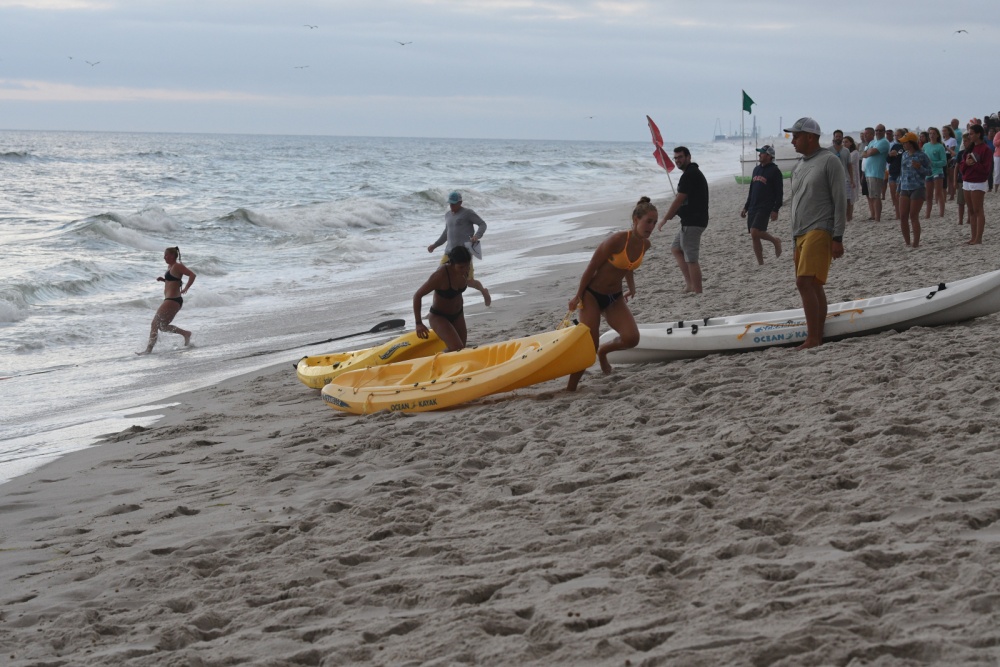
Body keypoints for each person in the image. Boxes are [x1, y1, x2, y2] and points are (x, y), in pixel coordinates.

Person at [566, 197, 657, 391]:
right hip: (592, 295)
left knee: (631, 338)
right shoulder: (616, 240)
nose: (651, 226)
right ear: (636, 220)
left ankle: (604, 352)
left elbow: (628, 266)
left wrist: (632, 287)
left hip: (614, 297)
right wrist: (578, 295)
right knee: (589, 345)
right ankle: (571, 388)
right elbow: (592, 267)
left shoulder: (645, 245)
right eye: (648, 221)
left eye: (654, 222)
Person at [783, 117, 846, 350]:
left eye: (796, 136)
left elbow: (840, 199)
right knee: (814, 284)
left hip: (820, 228)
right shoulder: (799, 165)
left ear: (810, 137)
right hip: (799, 232)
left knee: (804, 282)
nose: (793, 141)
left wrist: (837, 237)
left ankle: (813, 338)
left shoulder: (830, 161)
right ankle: (817, 335)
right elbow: (796, 200)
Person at [657, 146, 708, 293]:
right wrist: (675, 213)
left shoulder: (690, 174)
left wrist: (665, 218)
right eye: (676, 158)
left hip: (693, 222)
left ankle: (698, 291)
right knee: (676, 248)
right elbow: (686, 200)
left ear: (688, 157)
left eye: (680, 157)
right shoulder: (690, 173)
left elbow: (679, 200)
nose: (678, 160)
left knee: (691, 258)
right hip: (690, 221)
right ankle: (690, 284)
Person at [427, 191, 491, 306]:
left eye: (454, 203)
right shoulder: (447, 215)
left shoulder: (467, 213)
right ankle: (437, 305)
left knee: (469, 282)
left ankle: (483, 291)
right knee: (438, 276)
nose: (451, 206)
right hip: (449, 252)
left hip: (463, 253)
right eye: (450, 203)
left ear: (460, 202)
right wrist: (435, 245)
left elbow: (482, 224)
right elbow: (446, 233)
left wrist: (477, 236)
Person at [413, 245, 476, 352]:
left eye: (467, 266)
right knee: (457, 348)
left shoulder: (465, 269)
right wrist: (418, 323)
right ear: (452, 263)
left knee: (461, 349)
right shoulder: (440, 275)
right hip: (439, 316)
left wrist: (483, 291)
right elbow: (417, 295)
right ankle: (437, 359)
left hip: (458, 314)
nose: (465, 270)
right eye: (461, 267)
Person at [138, 246, 195, 355]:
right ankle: (185, 333)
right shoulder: (170, 266)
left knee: (154, 323)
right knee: (162, 326)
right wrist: (164, 280)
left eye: (166, 255)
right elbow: (174, 281)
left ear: (172, 256)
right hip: (172, 300)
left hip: (173, 300)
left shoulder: (177, 266)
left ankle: (148, 350)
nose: (164, 257)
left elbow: (192, 275)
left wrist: (186, 288)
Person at [740, 145, 783, 265]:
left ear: (769, 156)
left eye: (762, 153)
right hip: (753, 205)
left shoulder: (775, 171)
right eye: (759, 153)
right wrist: (746, 207)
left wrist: (775, 209)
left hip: (765, 206)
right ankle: (761, 263)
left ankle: (775, 241)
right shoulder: (756, 169)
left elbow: (779, 193)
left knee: (755, 231)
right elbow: (751, 190)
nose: (759, 155)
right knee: (754, 236)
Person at [897, 132, 932, 247]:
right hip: (904, 187)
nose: (903, 145)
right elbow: (902, 173)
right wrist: (899, 187)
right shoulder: (904, 155)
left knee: (913, 215)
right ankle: (907, 242)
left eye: (905, 143)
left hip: (917, 187)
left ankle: (916, 243)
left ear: (911, 143)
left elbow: (929, 171)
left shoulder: (922, 155)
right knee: (903, 216)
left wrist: (919, 167)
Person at [959, 124, 992, 245]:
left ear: (978, 134)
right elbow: (962, 168)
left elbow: (986, 170)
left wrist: (974, 163)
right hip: (967, 181)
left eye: (972, 134)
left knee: (978, 210)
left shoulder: (986, 149)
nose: (970, 136)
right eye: (969, 134)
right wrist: (967, 163)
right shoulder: (969, 148)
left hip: (978, 182)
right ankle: (973, 237)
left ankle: (979, 238)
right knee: (971, 210)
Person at [861, 125, 890, 221]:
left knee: (876, 196)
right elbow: (864, 154)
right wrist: (869, 151)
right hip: (868, 173)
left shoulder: (884, 142)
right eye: (876, 130)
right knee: (871, 196)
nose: (878, 132)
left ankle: (877, 218)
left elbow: (870, 152)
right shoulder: (873, 142)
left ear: (884, 132)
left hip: (876, 173)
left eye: (880, 130)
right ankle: (874, 216)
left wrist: (869, 151)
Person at [922, 127, 948, 219]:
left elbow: (944, 162)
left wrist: (933, 163)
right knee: (928, 195)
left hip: (938, 171)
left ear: (937, 135)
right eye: (930, 133)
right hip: (928, 172)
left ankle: (941, 213)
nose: (932, 135)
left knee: (938, 192)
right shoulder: (925, 146)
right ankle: (927, 214)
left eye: (934, 133)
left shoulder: (940, 146)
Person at [886, 128, 905, 220]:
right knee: (894, 195)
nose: (896, 137)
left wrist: (897, 155)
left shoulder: (906, 146)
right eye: (895, 135)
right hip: (893, 171)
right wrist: (890, 155)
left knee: (900, 195)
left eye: (898, 135)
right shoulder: (895, 146)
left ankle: (903, 213)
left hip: (901, 172)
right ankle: (897, 214)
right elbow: (888, 160)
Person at [843, 135, 861, 221]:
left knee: (849, 199)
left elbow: (847, 162)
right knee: (845, 198)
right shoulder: (844, 152)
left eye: (846, 142)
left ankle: (849, 217)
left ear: (851, 143)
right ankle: (847, 216)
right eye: (843, 142)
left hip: (851, 177)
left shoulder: (854, 153)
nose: (844, 144)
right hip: (844, 177)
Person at [942, 125, 958, 199]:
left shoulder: (952, 140)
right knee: (947, 177)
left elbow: (952, 150)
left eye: (945, 131)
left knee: (951, 177)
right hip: (943, 157)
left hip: (950, 158)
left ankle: (952, 195)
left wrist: (946, 148)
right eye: (943, 131)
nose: (944, 132)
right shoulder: (942, 140)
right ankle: (949, 192)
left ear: (949, 131)